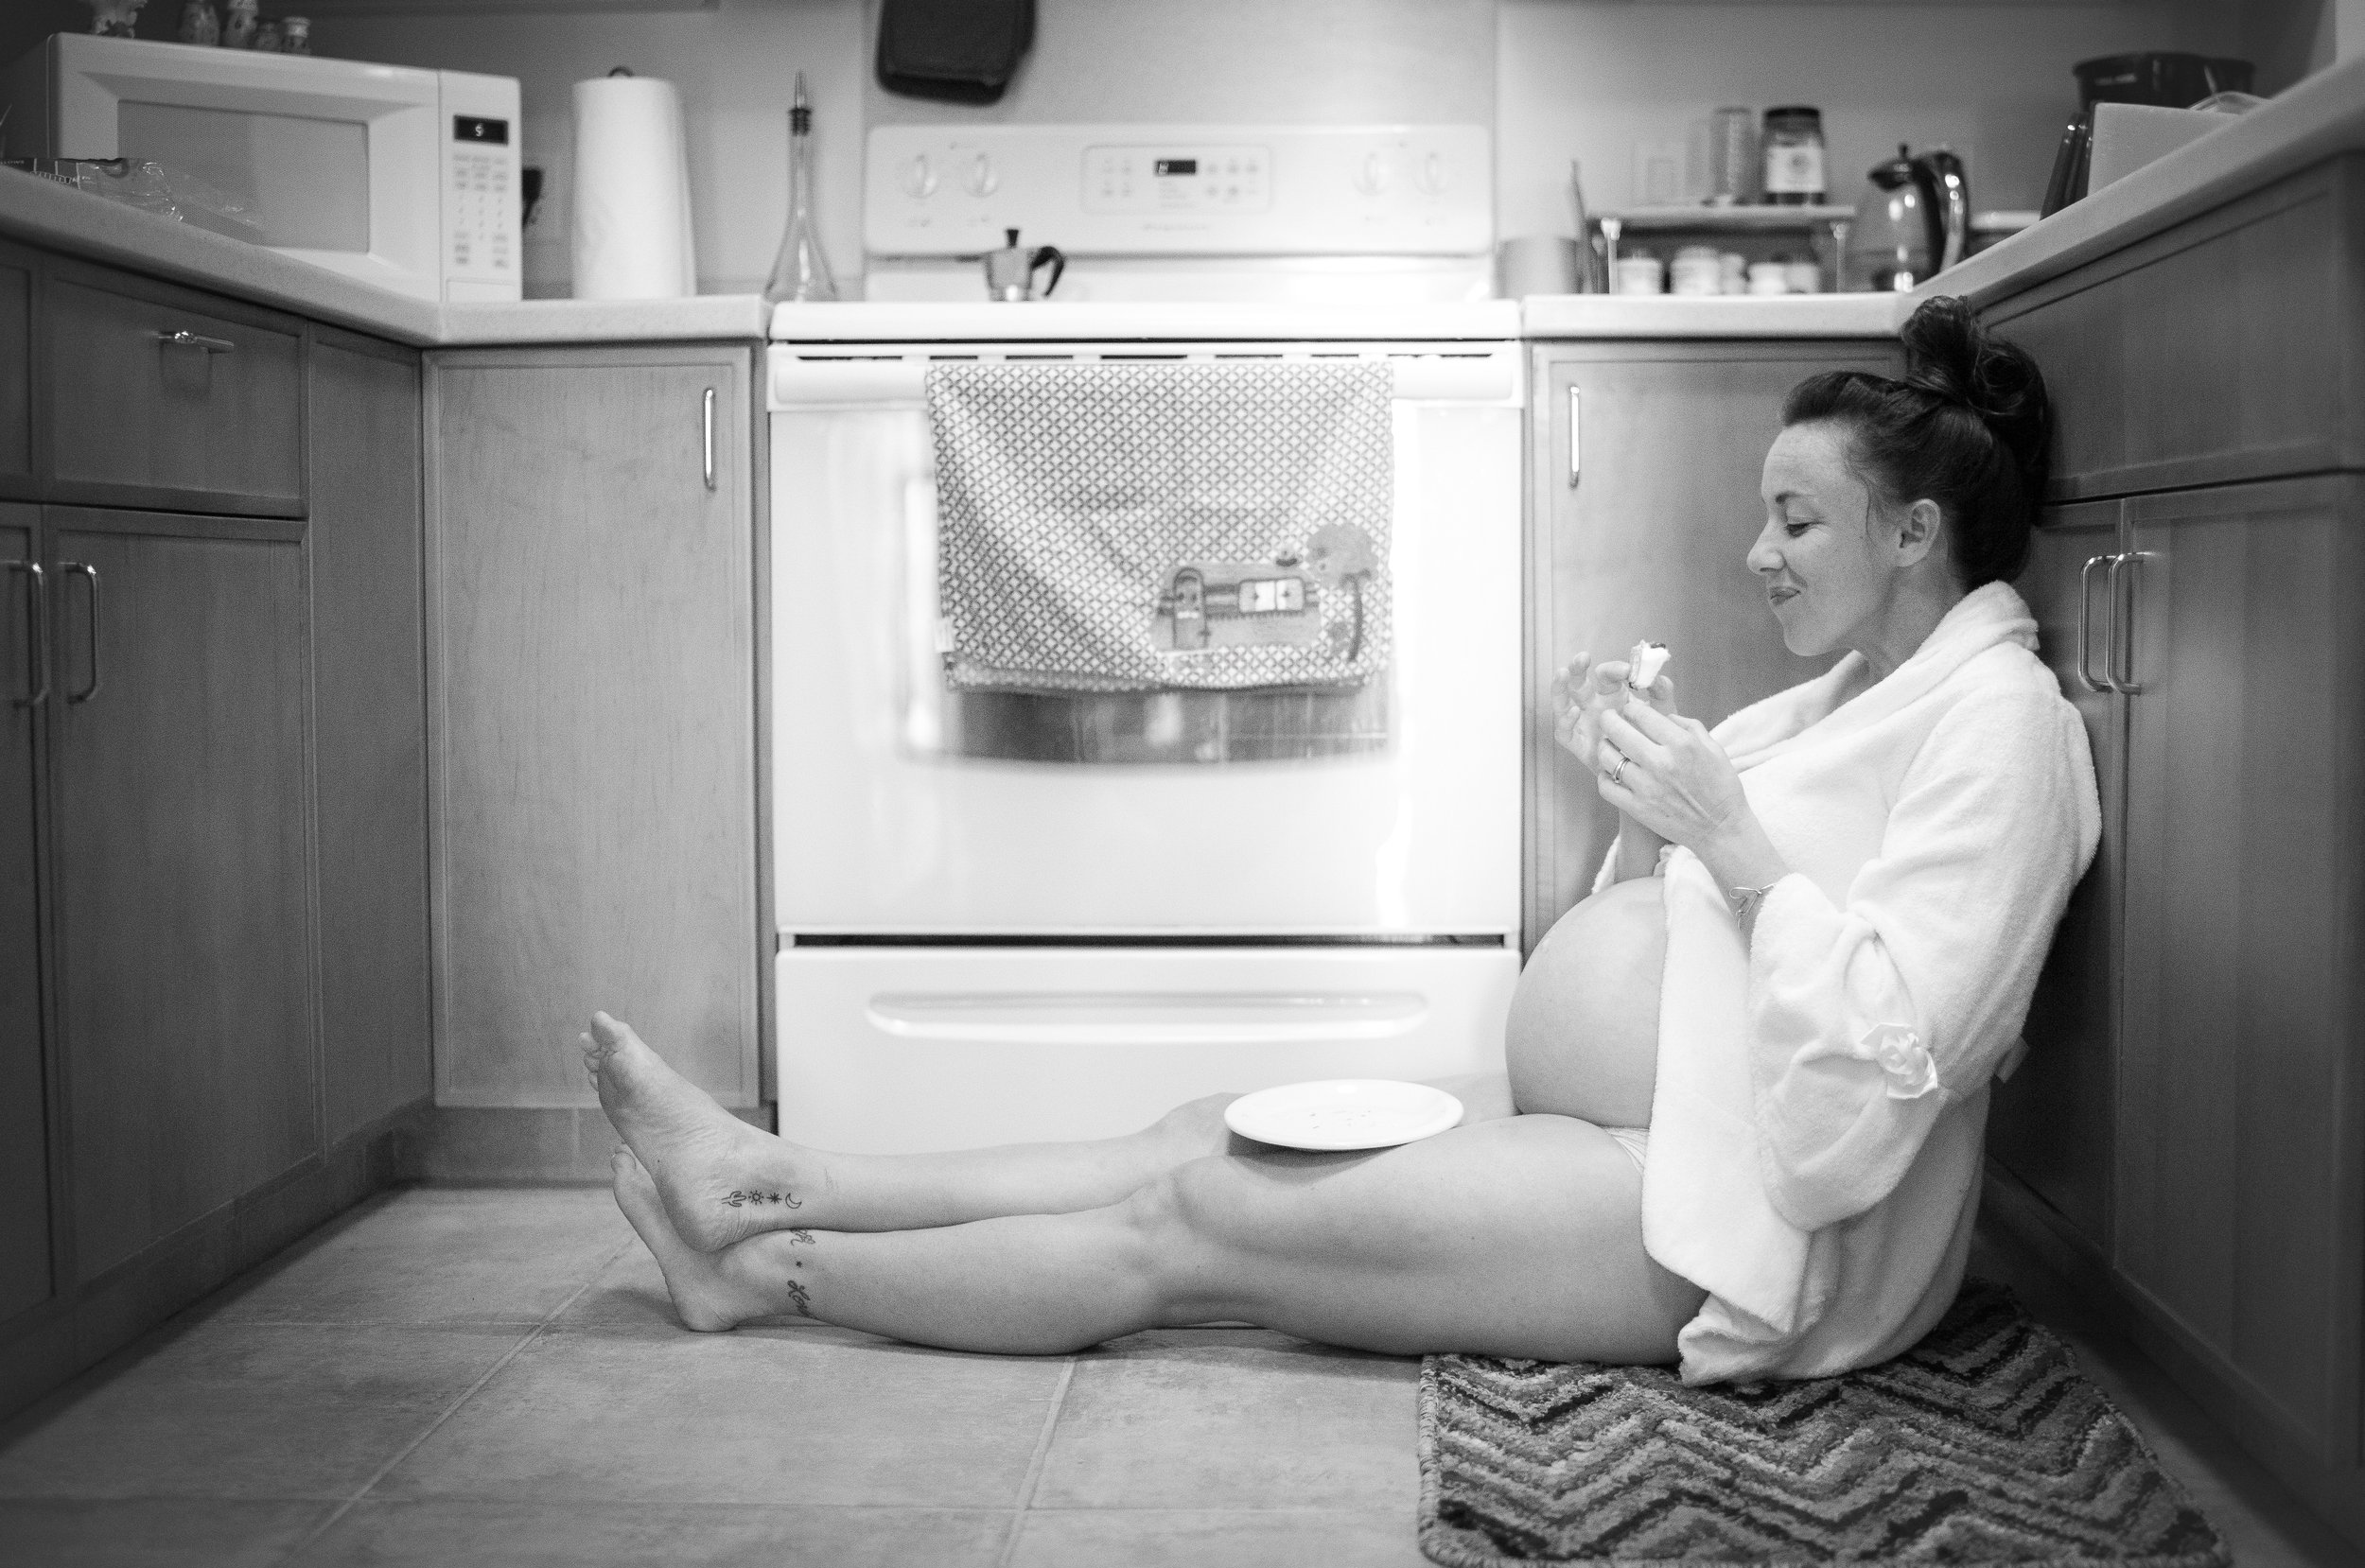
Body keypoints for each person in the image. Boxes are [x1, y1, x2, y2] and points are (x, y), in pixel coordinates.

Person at [587, 295, 2098, 1382]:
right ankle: (775, 1172)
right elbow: (1711, 926)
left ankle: (764, 1276)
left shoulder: (2003, 722)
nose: (1755, 552)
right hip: (1638, 1128)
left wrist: (1724, 832)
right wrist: (1650, 805)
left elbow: (1898, 1055)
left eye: (1799, 521)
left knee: (1194, 1222)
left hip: (1738, 1226)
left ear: (1914, 535)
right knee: (1201, 1127)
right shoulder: (1856, 693)